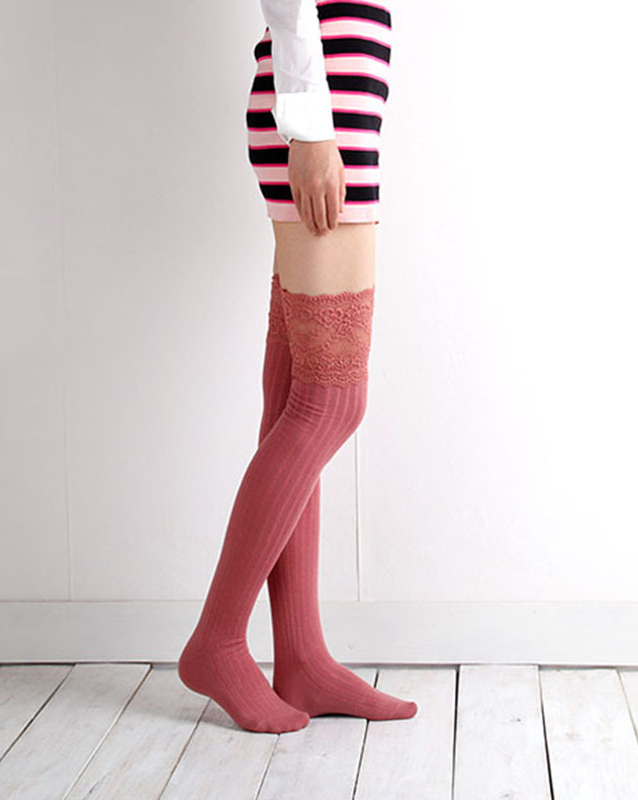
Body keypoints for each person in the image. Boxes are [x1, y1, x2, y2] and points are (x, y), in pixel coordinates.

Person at [178, 0, 418, 733]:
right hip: (323, 109)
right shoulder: (314, 115)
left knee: (294, 398)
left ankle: (303, 659)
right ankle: (217, 641)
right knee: (333, 401)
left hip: (336, 101)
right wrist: (311, 126)